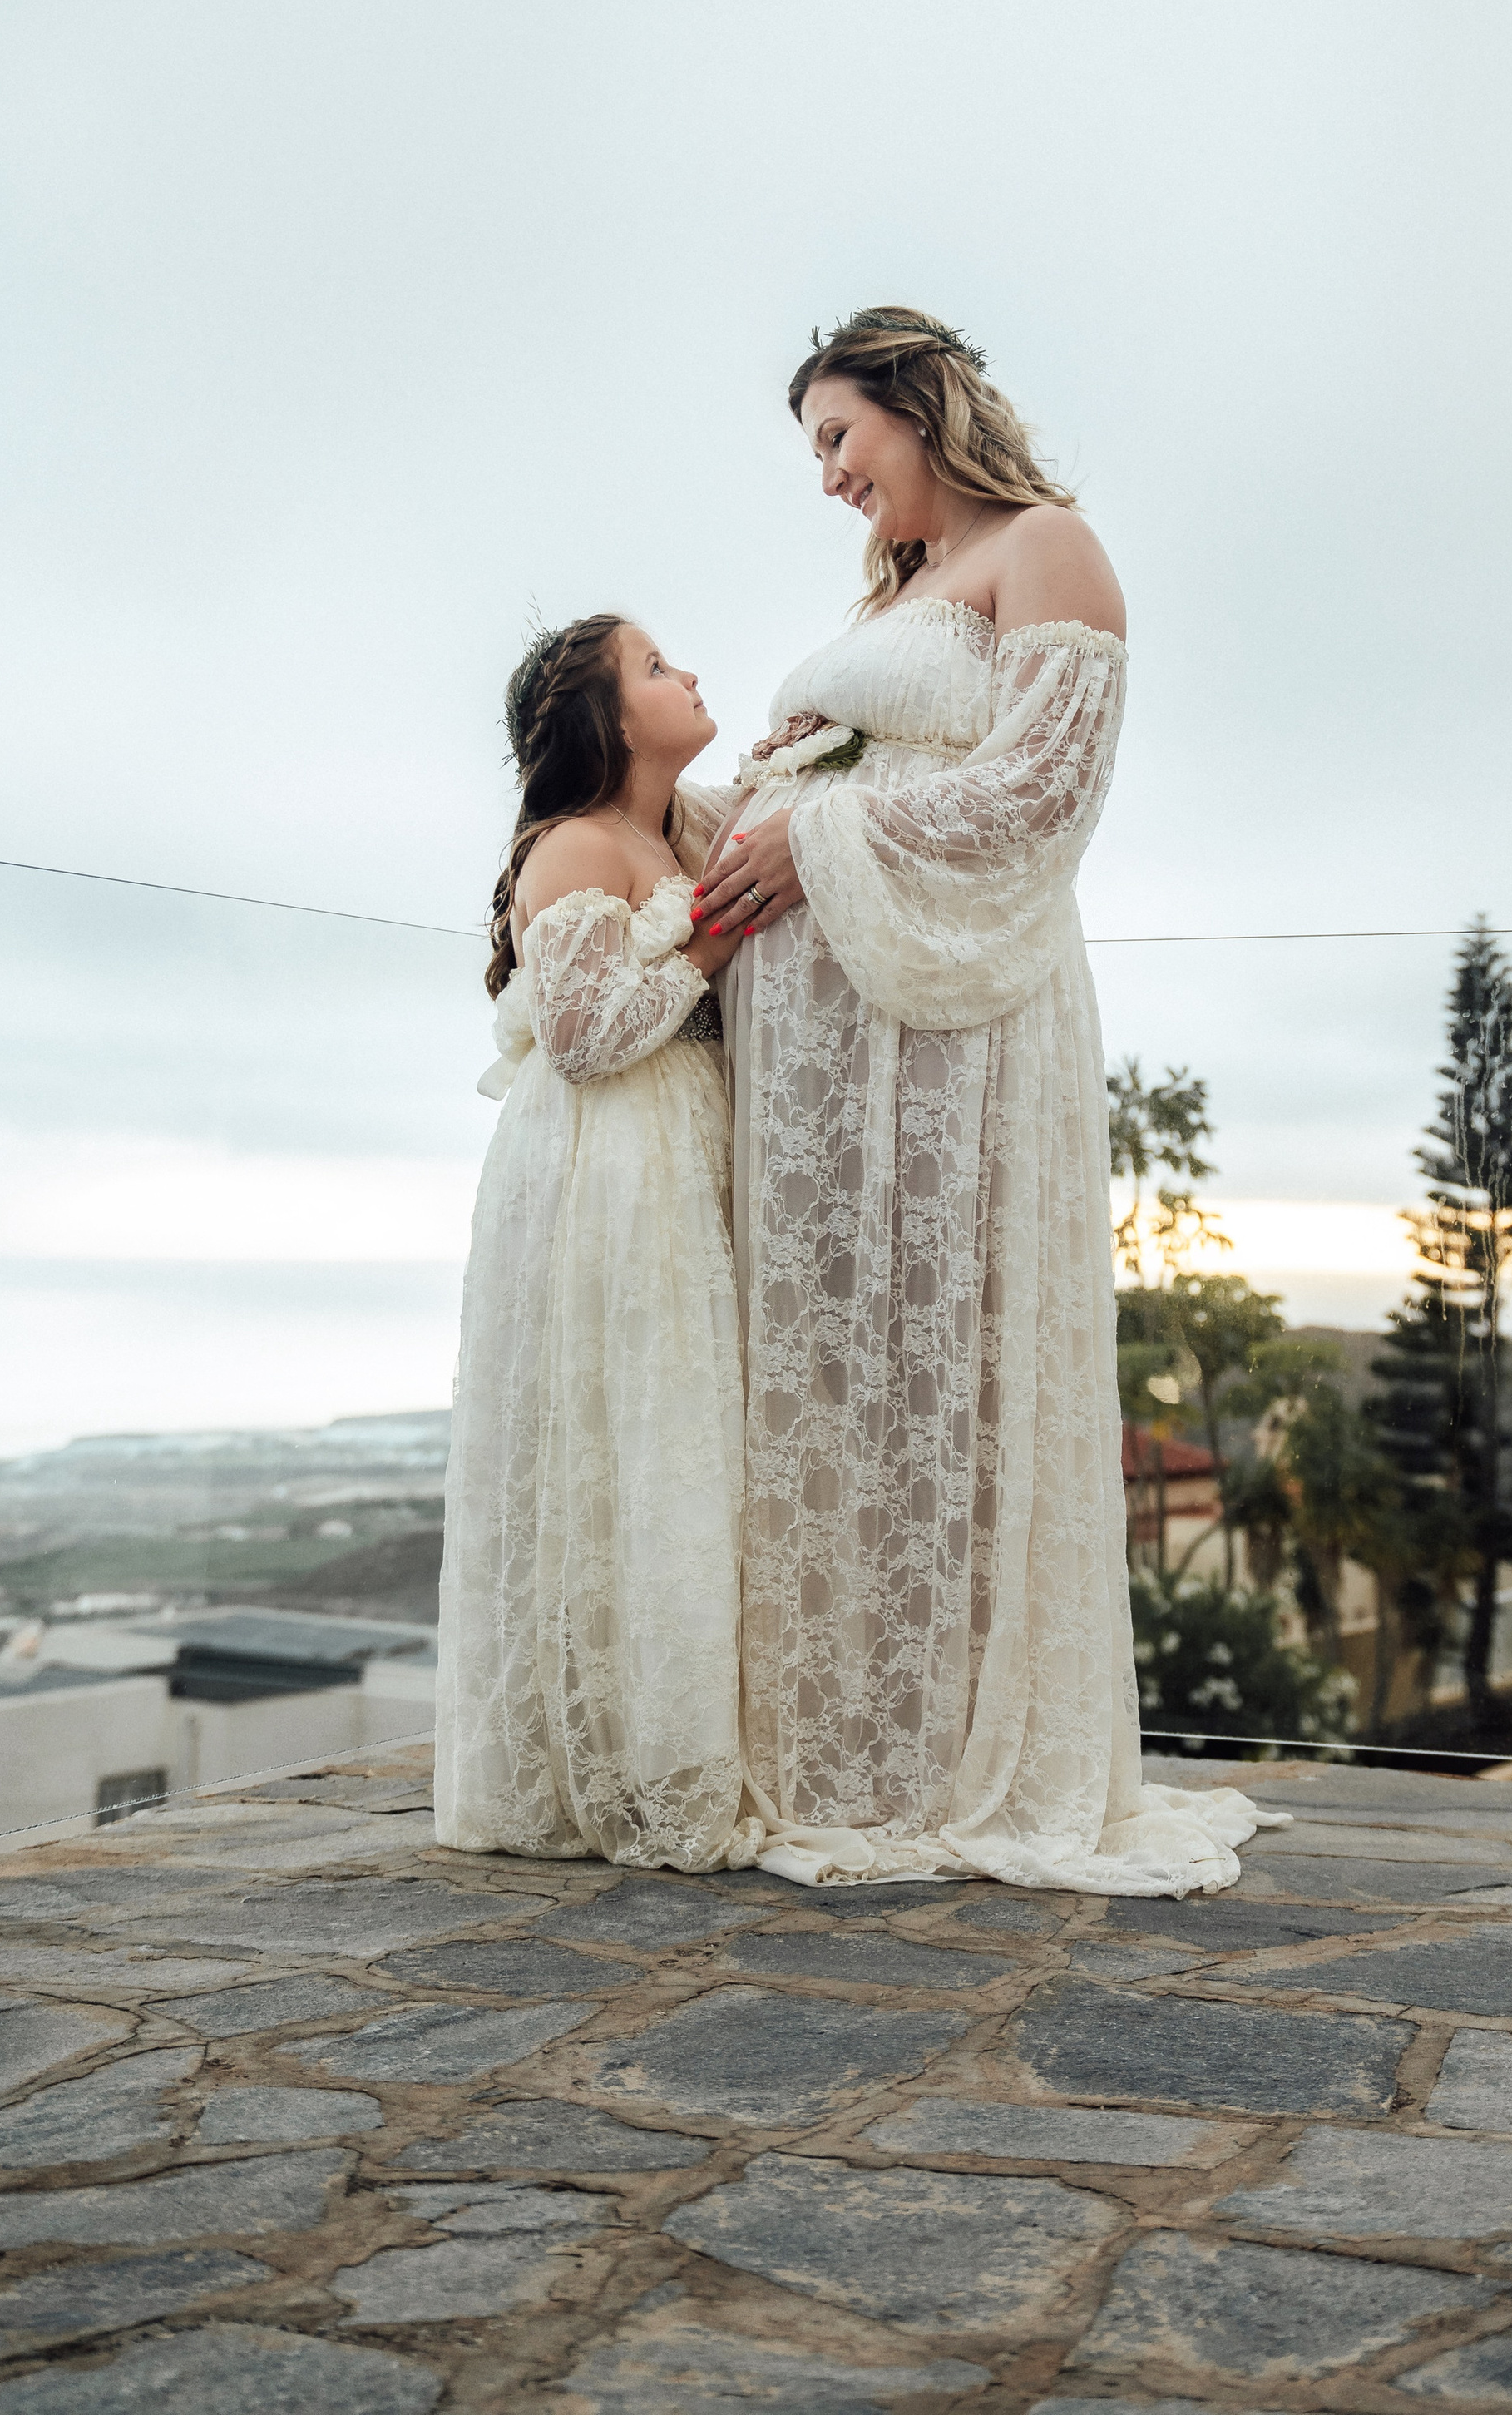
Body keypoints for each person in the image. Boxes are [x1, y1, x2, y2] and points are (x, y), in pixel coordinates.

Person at [693, 306, 1278, 1893]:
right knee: (839, 1393)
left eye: (837, 435)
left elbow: (1045, 787)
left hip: (953, 1045)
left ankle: (955, 1755)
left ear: (919, 404)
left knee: (953, 1365)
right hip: (820, 1065)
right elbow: (816, 787)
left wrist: (814, 837)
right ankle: (848, 1740)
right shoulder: (894, 595)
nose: (827, 475)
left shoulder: (1047, 547)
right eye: (815, 450)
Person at [434, 614, 757, 1872]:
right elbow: (579, 1036)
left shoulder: (674, 832)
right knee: (618, 1430)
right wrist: (715, 943)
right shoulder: (578, 844)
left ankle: (661, 1741)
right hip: (603, 1168)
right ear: (611, 719)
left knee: (668, 1441)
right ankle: (606, 1765)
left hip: (669, 1151)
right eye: (657, 667)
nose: (690, 673)